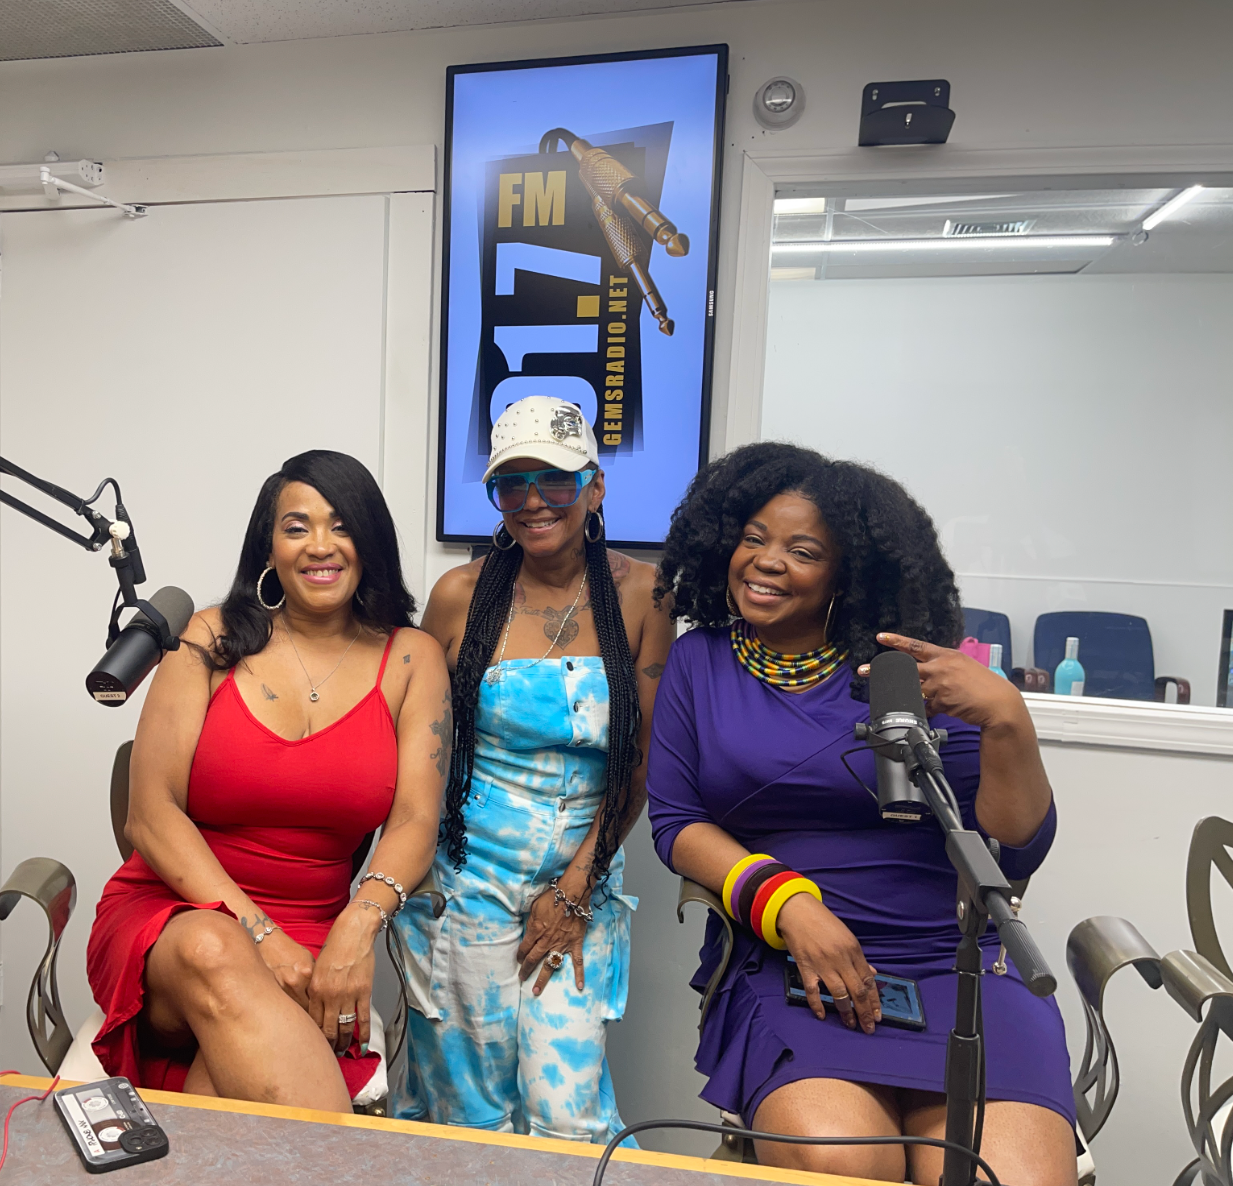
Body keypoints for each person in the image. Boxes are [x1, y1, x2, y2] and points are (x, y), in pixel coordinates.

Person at [646, 441, 1073, 1185]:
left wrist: (1008, 719)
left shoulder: (913, 671)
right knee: (842, 1162)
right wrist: (788, 905)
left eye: (802, 551)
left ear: (847, 574)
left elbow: (1010, 852)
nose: (766, 561)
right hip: (791, 958)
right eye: (753, 538)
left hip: (955, 961)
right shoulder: (700, 661)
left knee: (999, 1176)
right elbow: (677, 822)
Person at [84, 450, 447, 1112]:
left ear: (369, 541)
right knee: (213, 946)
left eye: (341, 525)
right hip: (174, 919)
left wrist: (358, 925)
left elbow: (417, 819)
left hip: (315, 935)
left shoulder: (411, 658)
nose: (320, 545)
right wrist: (259, 935)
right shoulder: (207, 638)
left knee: (233, 1100)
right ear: (269, 548)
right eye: (296, 527)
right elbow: (150, 813)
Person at [393, 397, 674, 1143]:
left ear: (595, 486)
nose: (533, 501)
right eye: (511, 484)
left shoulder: (644, 595)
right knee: (469, 1112)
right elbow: (417, 740)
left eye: (554, 479)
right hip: (466, 878)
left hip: (583, 872)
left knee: (563, 1110)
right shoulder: (460, 595)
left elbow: (640, 761)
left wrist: (576, 889)